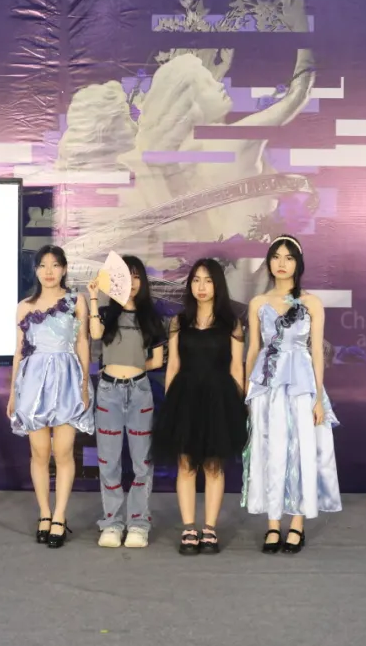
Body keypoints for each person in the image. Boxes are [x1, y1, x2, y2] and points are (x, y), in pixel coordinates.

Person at [242, 235, 341, 554]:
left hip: (302, 384)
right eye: (276, 257)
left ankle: (297, 523)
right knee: (269, 448)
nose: (281, 263)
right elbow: (253, 350)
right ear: (269, 262)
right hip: (266, 385)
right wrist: (248, 392)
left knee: (301, 450)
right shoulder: (258, 303)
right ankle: (273, 524)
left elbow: (317, 352)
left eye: (288, 257)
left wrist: (317, 398)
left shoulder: (311, 303)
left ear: (298, 263)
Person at [151, 259, 247, 555]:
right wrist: (171, 404)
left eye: (207, 280)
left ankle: (210, 529)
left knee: (214, 466)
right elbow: (172, 366)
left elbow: (236, 368)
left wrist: (239, 406)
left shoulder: (232, 323)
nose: (201, 286)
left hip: (219, 400)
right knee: (186, 464)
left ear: (218, 284)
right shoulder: (178, 322)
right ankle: (189, 528)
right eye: (196, 280)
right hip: (185, 399)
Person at [7, 245, 94, 548]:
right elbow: (19, 352)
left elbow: (82, 343)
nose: (48, 271)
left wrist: (84, 384)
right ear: (35, 270)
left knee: (64, 451)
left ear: (64, 269)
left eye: (55, 265)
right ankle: (44, 513)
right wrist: (13, 392)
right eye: (43, 265)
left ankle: (60, 515)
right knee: (40, 452)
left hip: (67, 380)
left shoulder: (76, 301)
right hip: (33, 383)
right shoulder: (24, 306)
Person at [86, 255, 166, 549]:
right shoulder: (107, 313)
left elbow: (157, 360)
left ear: (142, 281)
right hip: (109, 391)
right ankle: (111, 523)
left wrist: (134, 366)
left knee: (142, 462)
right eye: (124, 276)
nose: (131, 283)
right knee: (108, 462)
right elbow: (95, 334)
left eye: (136, 276)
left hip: (140, 392)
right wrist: (93, 297)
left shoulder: (151, 317)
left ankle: (138, 525)